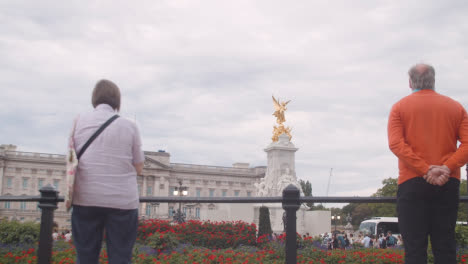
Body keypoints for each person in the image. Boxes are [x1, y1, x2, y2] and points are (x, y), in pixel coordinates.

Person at [388, 64, 468, 264]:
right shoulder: (456, 107)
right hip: (447, 182)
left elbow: (396, 144)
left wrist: (425, 169)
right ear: (433, 81)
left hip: (411, 182)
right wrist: (447, 167)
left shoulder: (399, 107)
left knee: (414, 248)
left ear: (410, 82)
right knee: (445, 246)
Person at [71, 80, 144, 264]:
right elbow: (139, 166)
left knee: (85, 258)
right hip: (122, 202)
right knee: (120, 258)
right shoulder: (130, 126)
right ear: (117, 102)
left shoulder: (78, 121)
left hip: (86, 198)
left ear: (94, 99)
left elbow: (71, 159)